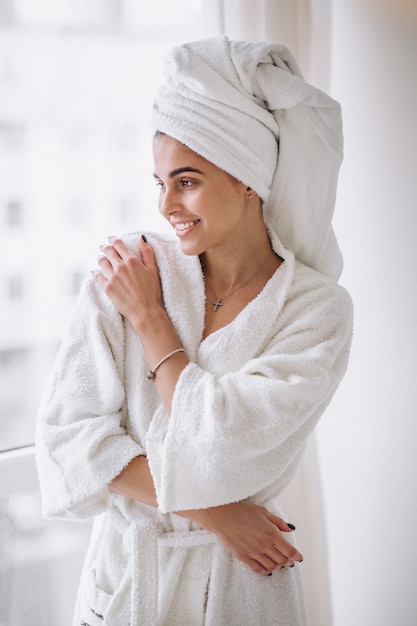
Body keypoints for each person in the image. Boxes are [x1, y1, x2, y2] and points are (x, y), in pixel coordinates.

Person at [36, 36, 353, 626]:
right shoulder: (132, 266)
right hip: (126, 584)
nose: (166, 206)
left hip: (236, 591)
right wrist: (215, 513)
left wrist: (153, 324)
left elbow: (221, 446)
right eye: (160, 183)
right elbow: (66, 440)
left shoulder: (315, 311)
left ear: (247, 178)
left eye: (186, 181)